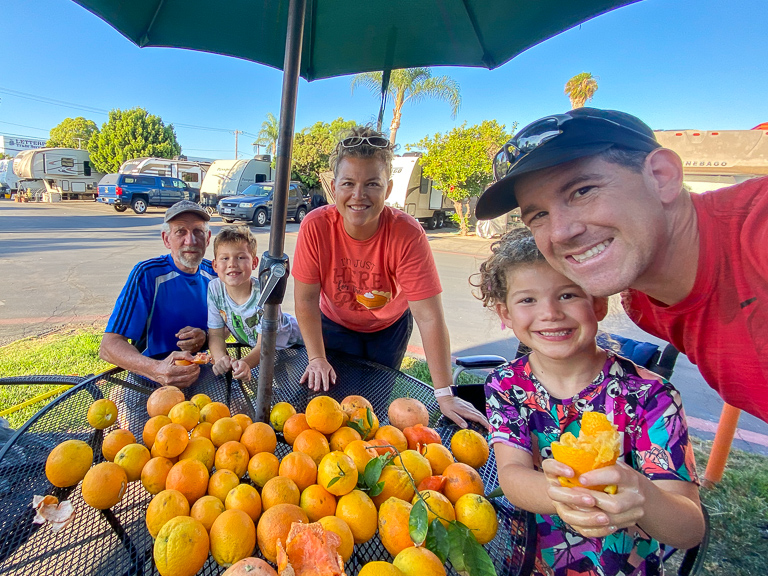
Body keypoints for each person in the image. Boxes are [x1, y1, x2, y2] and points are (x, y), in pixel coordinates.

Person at [476, 107, 768, 423]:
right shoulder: (642, 301)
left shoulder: (757, 229)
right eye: (539, 215)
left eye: (582, 191)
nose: (560, 233)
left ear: (661, 176)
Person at [474, 228, 705, 575]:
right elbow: (512, 474)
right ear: (505, 314)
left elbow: (688, 529)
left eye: (567, 295)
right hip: (532, 562)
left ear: (598, 303)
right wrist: (566, 494)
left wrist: (642, 494)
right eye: (528, 300)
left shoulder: (650, 396)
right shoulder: (505, 384)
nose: (550, 313)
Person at [291, 125, 488, 429]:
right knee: (327, 408)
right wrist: (317, 358)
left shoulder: (407, 233)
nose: (358, 195)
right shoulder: (315, 226)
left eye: (372, 184)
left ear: (389, 188)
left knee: (371, 410)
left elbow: (429, 317)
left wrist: (445, 393)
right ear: (333, 187)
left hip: (389, 329)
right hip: (334, 323)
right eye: (348, 183)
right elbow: (305, 300)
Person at [99, 201, 215, 388]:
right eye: (181, 232)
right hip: (149, 381)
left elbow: (228, 324)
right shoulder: (148, 274)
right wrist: (156, 369)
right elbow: (109, 346)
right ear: (166, 239)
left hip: (202, 374)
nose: (191, 241)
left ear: (208, 238)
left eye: (198, 232)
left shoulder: (216, 273)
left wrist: (206, 337)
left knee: (236, 405)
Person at [207, 225, 302, 380]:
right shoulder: (215, 289)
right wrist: (220, 359)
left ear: (254, 262)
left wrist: (245, 363)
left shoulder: (264, 294)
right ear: (215, 265)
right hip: (262, 350)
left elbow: (265, 344)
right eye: (225, 258)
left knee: (296, 388)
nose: (232, 264)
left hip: (293, 346)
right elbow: (216, 333)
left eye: (240, 257)